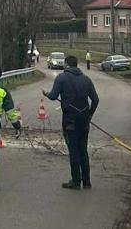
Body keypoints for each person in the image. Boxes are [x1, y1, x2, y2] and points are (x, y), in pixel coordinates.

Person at [42, 56, 99, 190]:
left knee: (73, 150)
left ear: (67, 64)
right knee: (83, 149)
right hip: (84, 119)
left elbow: (53, 96)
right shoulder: (86, 79)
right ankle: (86, 181)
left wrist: (46, 93)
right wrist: (89, 114)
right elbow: (95, 99)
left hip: (70, 119)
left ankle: (75, 181)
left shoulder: (62, 78)